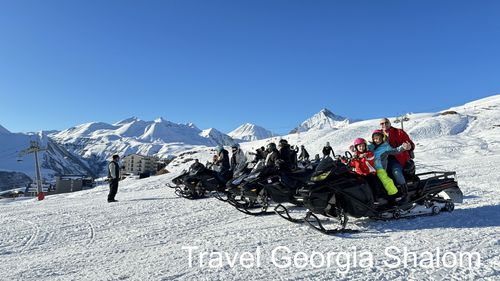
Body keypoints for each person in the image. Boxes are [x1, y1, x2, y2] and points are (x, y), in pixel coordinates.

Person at [369, 130, 412, 202]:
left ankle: (396, 193)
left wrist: (402, 147)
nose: (377, 140)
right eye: (375, 138)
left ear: (383, 138)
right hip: (371, 168)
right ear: (373, 139)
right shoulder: (370, 146)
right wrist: (354, 149)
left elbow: (395, 151)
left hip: (380, 168)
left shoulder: (385, 147)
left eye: (379, 138)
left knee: (385, 180)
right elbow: (362, 149)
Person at [379, 118, 415, 194]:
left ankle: (404, 192)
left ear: (390, 123)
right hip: (383, 160)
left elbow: (410, 144)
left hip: (398, 159)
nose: (384, 125)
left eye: (386, 122)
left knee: (396, 172)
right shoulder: (378, 135)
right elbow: (372, 146)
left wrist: (409, 147)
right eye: (382, 123)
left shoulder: (399, 132)